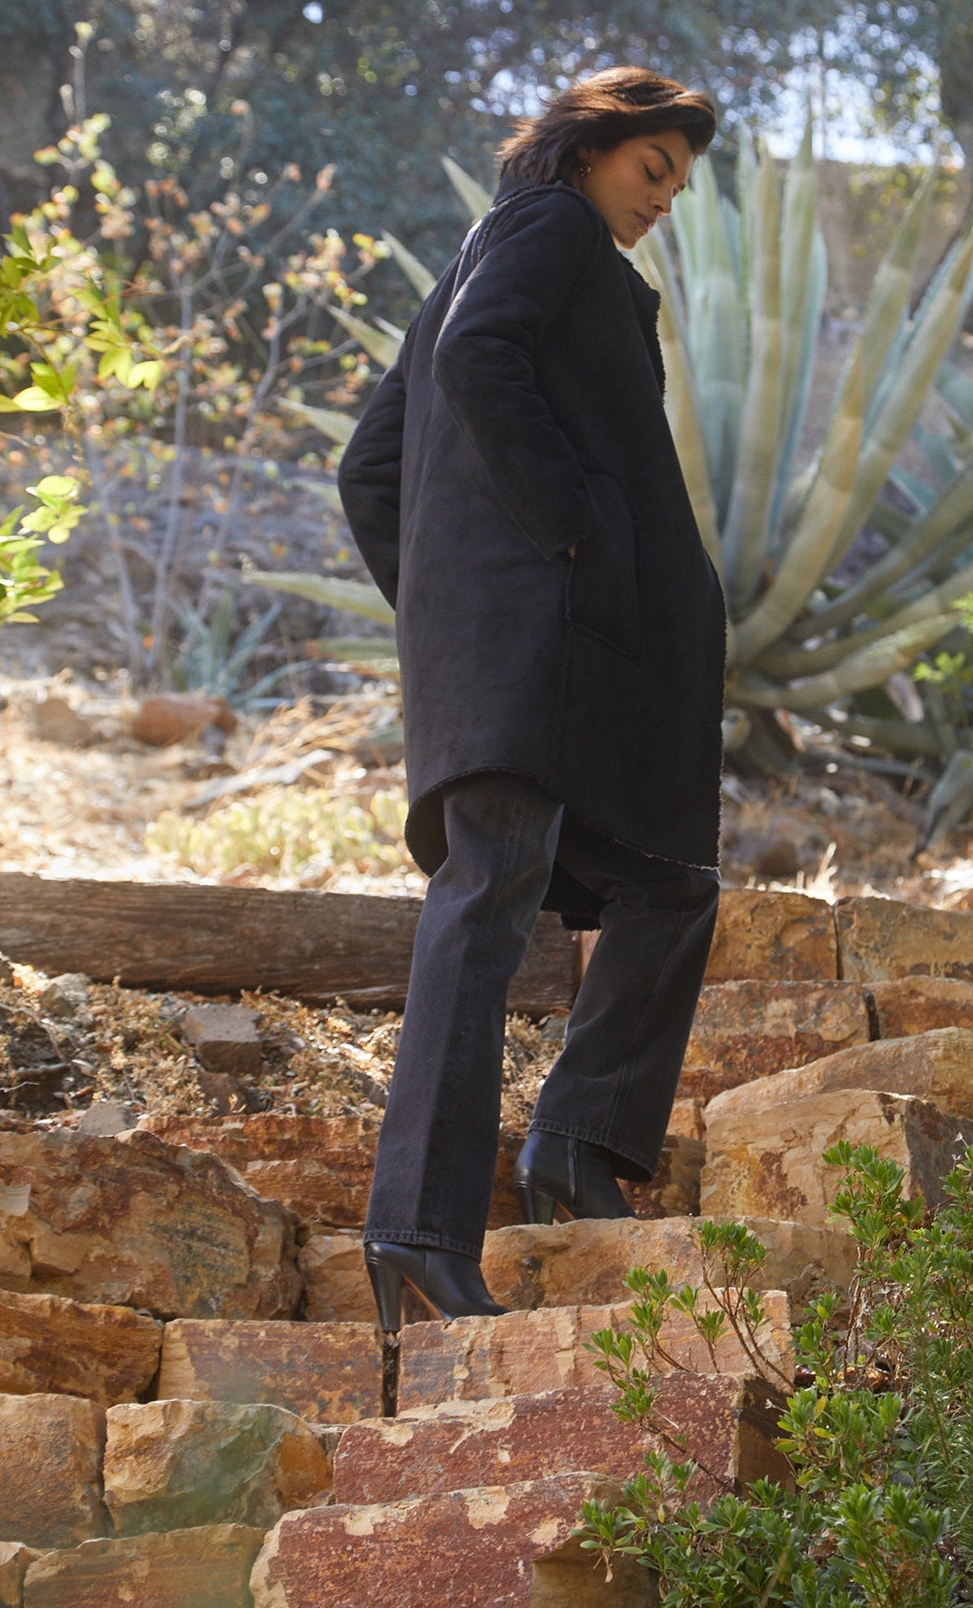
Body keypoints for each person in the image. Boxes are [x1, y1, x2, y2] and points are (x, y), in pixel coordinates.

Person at [337, 66, 726, 1331]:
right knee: (494, 894)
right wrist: (567, 533)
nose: (662, 196)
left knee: (666, 877)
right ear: (585, 150)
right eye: (649, 167)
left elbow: (371, 468)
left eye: (677, 180)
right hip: (547, 638)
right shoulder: (547, 228)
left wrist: (455, 602)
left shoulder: (492, 258)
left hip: (543, 646)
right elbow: (479, 358)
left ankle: (572, 1140)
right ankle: (420, 1228)